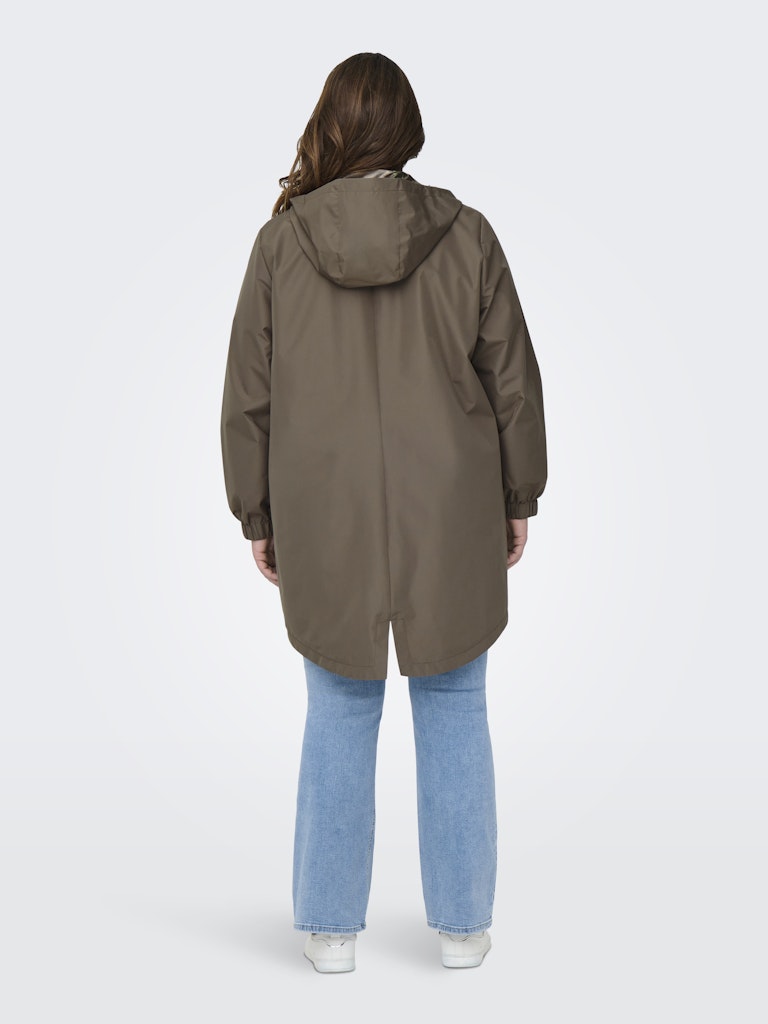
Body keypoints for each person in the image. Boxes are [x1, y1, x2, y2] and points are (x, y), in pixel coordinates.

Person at [220, 52, 548, 973]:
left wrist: (257, 512)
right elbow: (513, 382)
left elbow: (248, 396)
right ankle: (464, 929)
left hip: (324, 511)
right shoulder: (468, 234)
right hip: (452, 506)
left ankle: (330, 931)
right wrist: (518, 494)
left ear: (331, 126)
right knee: (455, 700)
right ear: (407, 129)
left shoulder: (281, 245)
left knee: (338, 703)